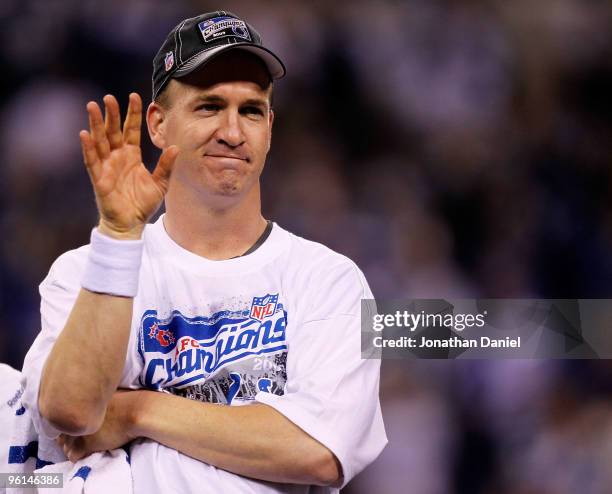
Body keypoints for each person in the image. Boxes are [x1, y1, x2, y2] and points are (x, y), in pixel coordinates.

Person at [21, 10, 387, 493]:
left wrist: (138, 410)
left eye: (252, 110)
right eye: (209, 107)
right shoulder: (89, 269)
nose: (233, 133)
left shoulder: (328, 279)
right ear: (157, 124)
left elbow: (318, 450)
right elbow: (72, 412)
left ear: (270, 127)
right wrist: (118, 234)